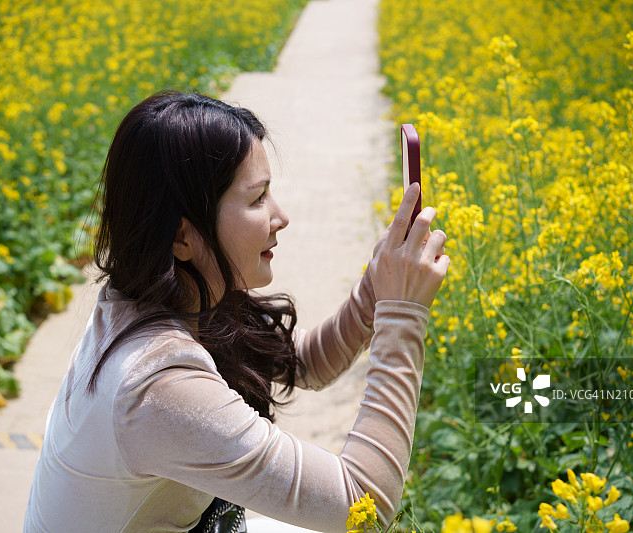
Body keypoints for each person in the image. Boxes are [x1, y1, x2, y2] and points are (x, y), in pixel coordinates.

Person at [24, 90, 449, 533]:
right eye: (257, 199)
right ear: (182, 237)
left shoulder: (163, 297)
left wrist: (376, 288)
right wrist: (403, 315)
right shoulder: (157, 387)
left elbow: (304, 363)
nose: (280, 217)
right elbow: (363, 503)